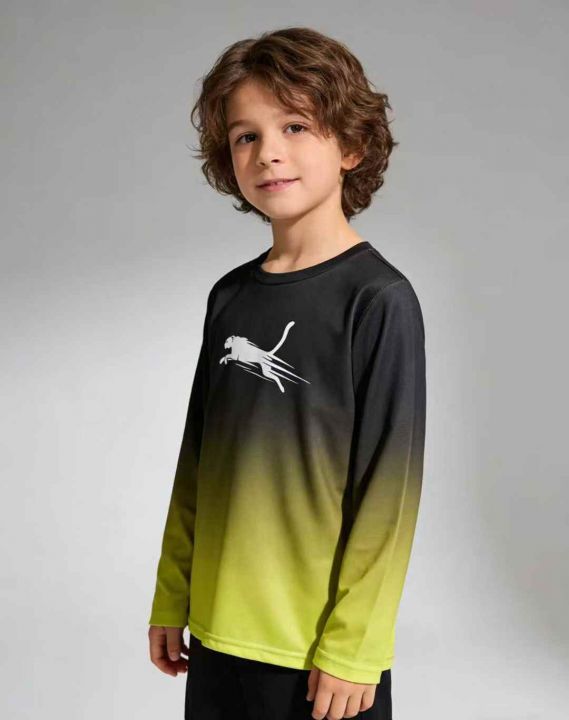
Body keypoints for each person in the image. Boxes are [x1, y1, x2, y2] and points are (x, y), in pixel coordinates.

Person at [147, 26, 426, 720]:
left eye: (295, 126)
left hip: (317, 657)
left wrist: (354, 648)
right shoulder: (230, 297)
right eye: (246, 136)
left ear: (351, 145)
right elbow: (198, 460)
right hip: (216, 636)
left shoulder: (378, 300)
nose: (268, 151)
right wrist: (172, 593)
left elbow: (388, 494)